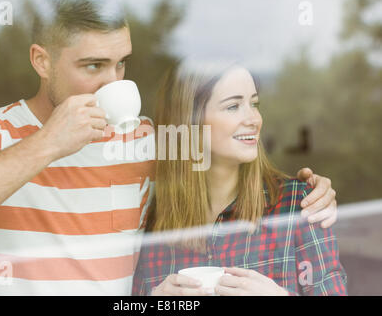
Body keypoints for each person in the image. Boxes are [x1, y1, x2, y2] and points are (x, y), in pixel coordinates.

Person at [0, 0, 337, 295]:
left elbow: (230, 151)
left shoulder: (144, 142)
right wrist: (47, 144)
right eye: (93, 66)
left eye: (120, 63)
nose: (113, 82)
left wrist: (312, 190)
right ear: (42, 61)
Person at [132, 60, 347, 296]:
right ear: (190, 122)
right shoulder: (150, 222)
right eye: (233, 106)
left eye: (254, 103)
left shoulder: (299, 204)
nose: (254, 119)